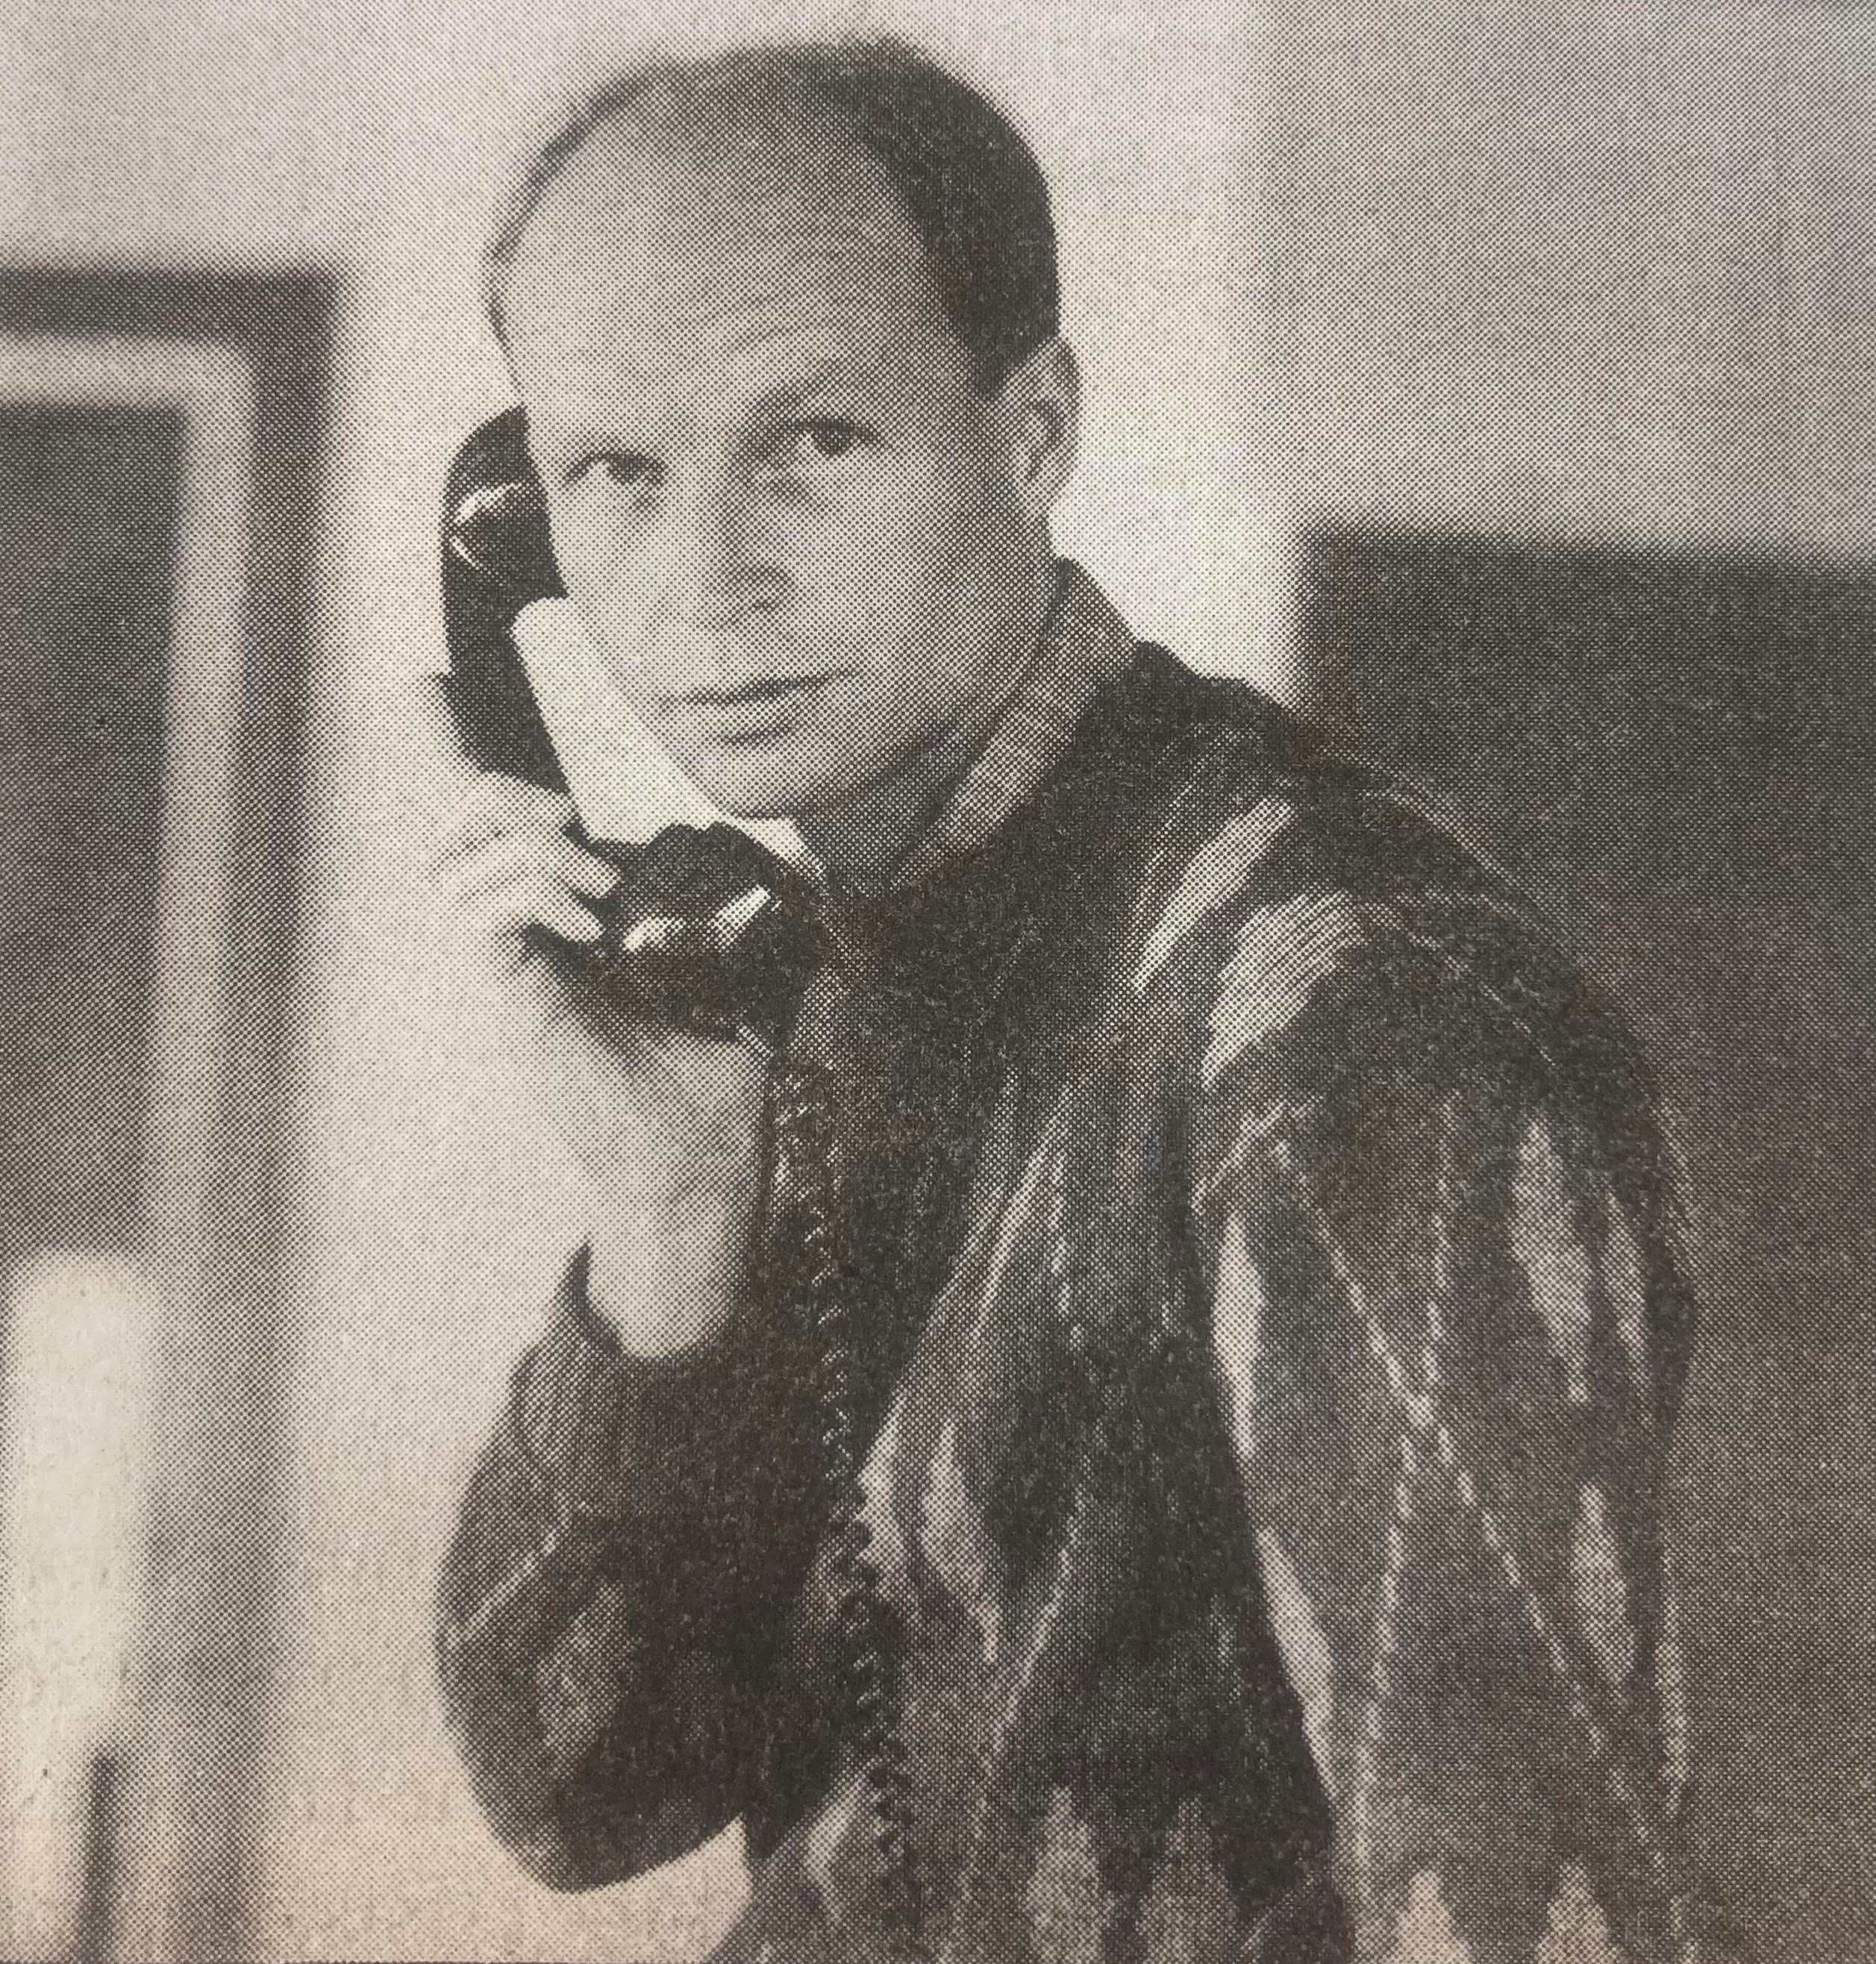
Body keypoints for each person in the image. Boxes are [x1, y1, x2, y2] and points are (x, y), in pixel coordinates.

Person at [428, 35, 1712, 1964]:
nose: (704, 580)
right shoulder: (828, 981)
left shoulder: (1350, 1018)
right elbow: (580, 1787)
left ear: (1030, 434)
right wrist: (671, 1216)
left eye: (813, 443)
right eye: (616, 473)